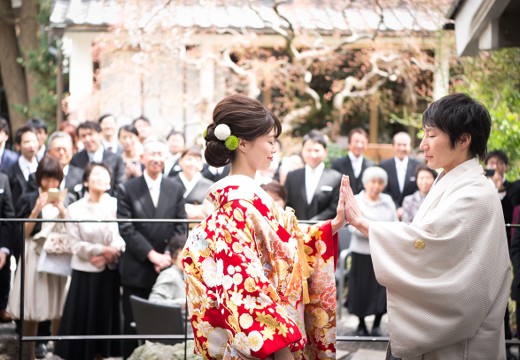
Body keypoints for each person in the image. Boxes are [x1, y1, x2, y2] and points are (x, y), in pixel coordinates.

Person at [343, 93, 511, 359]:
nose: (422, 145)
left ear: (464, 139)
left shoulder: (474, 193)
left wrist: (365, 225)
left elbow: (426, 243)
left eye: (431, 135)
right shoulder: (452, 180)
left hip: (463, 344)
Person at [182, 93, 350, 359]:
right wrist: (281, 349)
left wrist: (334, 225)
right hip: (269, 344)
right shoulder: (235, 207)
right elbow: (246, 287)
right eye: (270, 141)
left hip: (282, 332)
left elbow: (288, 242)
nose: (274, 149)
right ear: (244, 144)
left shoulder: (253, 199)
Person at [117, 137, 187, 357]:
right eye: (152, 154)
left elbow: (180, 225)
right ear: (142, 157)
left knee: (164, 328)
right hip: (138, 265)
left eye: (160, 155)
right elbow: (126, 228)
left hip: (167, 264)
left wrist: (167, 255)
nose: (157, 159)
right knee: (132, 325)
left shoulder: (175, 188)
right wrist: (152, 255)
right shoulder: (128, 188)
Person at [55, 163, 125, 360]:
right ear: (86, 181)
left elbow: (121, 236)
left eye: (105, 174)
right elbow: (75, 244)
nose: (101, 177)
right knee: (83, 319)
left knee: (106, 316)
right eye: (96, 174)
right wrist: (101, 250)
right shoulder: (74, 209)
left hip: (109, 270)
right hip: (84, 272)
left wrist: (110, 252)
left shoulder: (116, 205)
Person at [7, 156, 69, 360]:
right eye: (46, 179)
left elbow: (72, 229)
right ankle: (29, 355)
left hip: (56, 256)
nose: (51, 184)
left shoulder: (66, 198)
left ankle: (57, 352)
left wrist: (62, 210)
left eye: (55, 179)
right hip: (33, 254)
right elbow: (24, 232)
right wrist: (36, 209)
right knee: (31, 306)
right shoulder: (29, 197)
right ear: (39, 178)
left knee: (58, 305)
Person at [345, 166, 396, 337]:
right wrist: (378, 229)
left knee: (381, 290)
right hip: (360, 253)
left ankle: (376, 324)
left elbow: (394, 224)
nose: (376, 185)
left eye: (380, 182)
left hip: (381, 253)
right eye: (373, 181)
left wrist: (368, 226)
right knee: (360, 289)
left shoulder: (388, 201)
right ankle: (360, 324)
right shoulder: (357, 200)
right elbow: (353, 227)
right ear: (366, 183)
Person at [284, 129, 342, 221]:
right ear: (302, 151)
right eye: (309, 150)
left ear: (325, 152)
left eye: (317, 150)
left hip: (325, 230)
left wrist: (313, 224)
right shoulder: (292, 177)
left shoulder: (336, 178)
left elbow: (335, 207)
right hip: (297, 230)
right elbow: (287, 204)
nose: (313, 154)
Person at [70, 120, 125, 196]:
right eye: (83, 136)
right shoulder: (76, 159)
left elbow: (120, 186)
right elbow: (72, 185)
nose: (87, 139)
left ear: (100, 134)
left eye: (90, 134)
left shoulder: (115, 159)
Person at [379, 132, 422, 213]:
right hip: (388, 210)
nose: (402, 148)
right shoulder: (383, 165)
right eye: (399, 145)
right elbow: (383, 189)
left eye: (405, 145)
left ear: (410, 147)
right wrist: (396, 208)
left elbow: (419, 189)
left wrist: (406, 208)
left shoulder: (418, 165)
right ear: (393, 146)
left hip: (413, 211)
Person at [172, 146, 213, 220]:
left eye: (197, 160)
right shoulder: (170, 183)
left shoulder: (209, 186)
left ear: (202, 164)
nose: (192, 163)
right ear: (180, 160)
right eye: (189, 159)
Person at [332, 127, 374, 194]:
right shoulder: (337, 164)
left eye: (363, 142)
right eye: (356, 142)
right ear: (349, 143)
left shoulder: (371, 165)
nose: (359, 145)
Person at [47, 131, 84, 203]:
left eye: (65, 149)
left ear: (72, 151)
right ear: (49, 153)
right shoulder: (40, 176)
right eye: (57, 149)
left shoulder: (81, 175)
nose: (61, 153)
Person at [149, 236, 186, 307]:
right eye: (185, 254)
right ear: (174, 257)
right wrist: (182, 303)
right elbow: (154, 302)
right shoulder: (169, 275)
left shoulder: (189, 275)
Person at [0, 172, 16, 324]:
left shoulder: (3, 179)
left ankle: (2, 307)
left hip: (0, 242)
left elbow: (8, 216)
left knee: (4, 274)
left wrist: (4, 249)